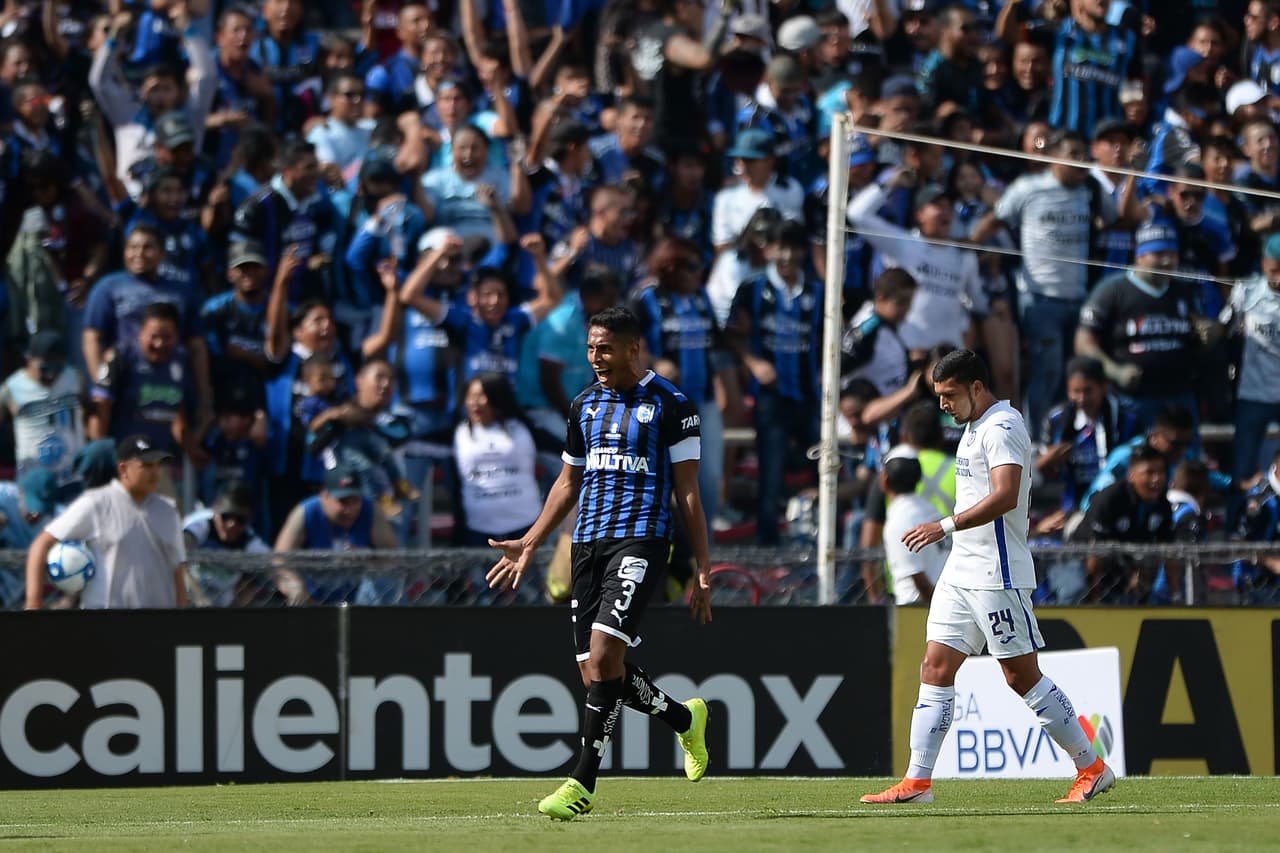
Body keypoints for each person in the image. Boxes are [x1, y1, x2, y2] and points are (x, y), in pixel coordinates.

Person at [486, 306, 712, 821]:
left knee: (606, 650)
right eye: (590, 349)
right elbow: (568, 484)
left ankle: (581, 783)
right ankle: (684, 718)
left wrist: (703, 565)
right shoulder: (583, 405)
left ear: (634, 347)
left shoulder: (673, 405)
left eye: (605, 348)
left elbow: (689, 492)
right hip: (587, 544)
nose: (595, 358)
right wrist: (531, 541)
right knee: (596, 673)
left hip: (643, 542)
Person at [862, 349, 1115, 805]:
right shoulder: (976, 425)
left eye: (950, 395)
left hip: (996, 572)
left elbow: (1005, 495)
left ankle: (1091, 767)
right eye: (938, 396)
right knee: (935, 668)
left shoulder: (1002, 427)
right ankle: (918, 782)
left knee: (1021, 676)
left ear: (976, 387)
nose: (943, 405)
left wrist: (944, 525)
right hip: (962, 569)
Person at [25, 435, 189, 610]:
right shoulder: (97, 503)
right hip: (106, 625)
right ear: (123, 468)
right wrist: (33, 604)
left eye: (158, 465)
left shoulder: (168, 510)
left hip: (158, 626)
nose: (155, 472)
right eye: (146, 465)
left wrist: (180, 620)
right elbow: (41, 544)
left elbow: (177, 570)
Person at [271, 463, 399, 605]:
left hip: (359, 600)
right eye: (343, 501)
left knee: (385, 581)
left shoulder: (372, 510)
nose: (349, 510)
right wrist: (295, 586)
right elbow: (279, 560)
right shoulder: (306, 512)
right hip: (314, 599)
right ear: (325, 495)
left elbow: (392, 560)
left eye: (355, 500)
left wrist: (364, 560)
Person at [1070, 443, 1179, 604]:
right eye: (1149, 472)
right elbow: (1094, 556)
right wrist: (1093, 603)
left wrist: (1177, 597)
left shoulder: (1162, 505)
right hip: (1078, 558)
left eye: (1161, 472)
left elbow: (1169, 553)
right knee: (1075, 592)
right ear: (1131, 475)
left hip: (1120, 565)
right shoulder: (1110, 499)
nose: (1157, 479)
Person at [454, 373, 541, 546]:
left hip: (525, 525)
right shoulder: (460, 432)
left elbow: (567, 452)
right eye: (471, 396)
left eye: (481, 396)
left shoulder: (523, 429)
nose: (475, 402)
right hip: (478, 529)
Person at [183, 480, 272, 608]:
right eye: (226, 516)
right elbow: (178, 551)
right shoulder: (200, 525)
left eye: (240, 519)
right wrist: (199, 596)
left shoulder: (249, 540)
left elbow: (276, 564)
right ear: (215, 509)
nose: (231, 524)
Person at [881, 453, 946, 605]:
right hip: (945, 597)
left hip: (917, 606)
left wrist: (936, 608)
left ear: (885, 481)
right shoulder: (931, 509)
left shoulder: (899, 521)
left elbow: (917, 577)